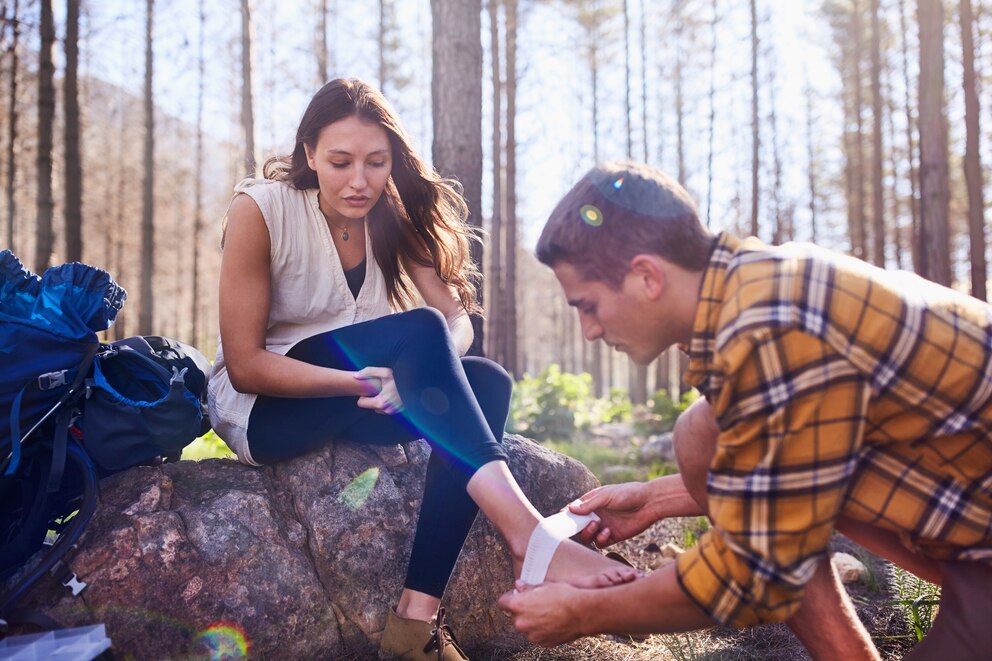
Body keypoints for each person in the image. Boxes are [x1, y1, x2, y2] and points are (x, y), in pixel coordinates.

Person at [207, 79, 637, 661]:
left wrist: (406, 375)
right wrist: (360, 382)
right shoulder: (261, 208)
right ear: (309, 154)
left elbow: (456, 319)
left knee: (489, 384)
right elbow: (245, 365)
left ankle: (414, 624)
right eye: (340, 162)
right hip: (270, 407)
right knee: (420, 330)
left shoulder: (390, 214)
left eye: (376, 162)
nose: (359, 181)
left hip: (361, 399)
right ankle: (527, 534)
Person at [498, 160, 992, 660]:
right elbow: (784, 461)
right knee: (701, 432)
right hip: (967, 519)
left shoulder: (775, 326)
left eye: (588, 305)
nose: (590, 331)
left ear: (647, 276)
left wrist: (586, 612)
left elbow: (756, 573)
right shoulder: (750, 291)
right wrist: (653, 500)